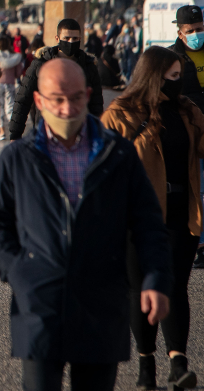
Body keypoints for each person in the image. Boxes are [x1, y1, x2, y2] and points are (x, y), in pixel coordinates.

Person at [0, 58, 173, 391]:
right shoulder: (19, 158)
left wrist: (155, 278)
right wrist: (18, 270)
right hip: (40, 305)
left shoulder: (119, 155)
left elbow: (148, 224)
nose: (67, 108)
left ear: (89, 95)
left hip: (102, 303)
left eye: (76, 97)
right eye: (57, 99)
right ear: (39, 101)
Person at [102, 46, 203, 389]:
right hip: (136, 216)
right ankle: (147, 365)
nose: (178, 83)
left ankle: (179, 362)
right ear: (153, 76)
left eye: (180, 76)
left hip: (181, 212)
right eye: (172, 77)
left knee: (176, 287)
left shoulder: (187, 112)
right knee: (139, 289)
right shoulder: (121, 113)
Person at [8, 19, 104, 142]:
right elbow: (23, 100)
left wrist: (97, 134)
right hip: (46, 134)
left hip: (79, 135)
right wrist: (15, 135)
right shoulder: (40, 64)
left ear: (80, 39)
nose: (71, 42)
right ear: (57, 39)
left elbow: (96, 104)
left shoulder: (89, 66)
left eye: (75, 39)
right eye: (67, 38)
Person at [169, 5, 204, 111]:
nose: (196, 34)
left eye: (199, 29)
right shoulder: (170, 57)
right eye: (190, 31)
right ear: (180, 33)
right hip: (188, 116)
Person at [0, 36, 23, 141]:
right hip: (10, 85)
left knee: (0, 109)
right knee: (10, 109)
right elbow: (18, 73)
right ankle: (13, 132)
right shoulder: (15, 57)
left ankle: (2, 132)